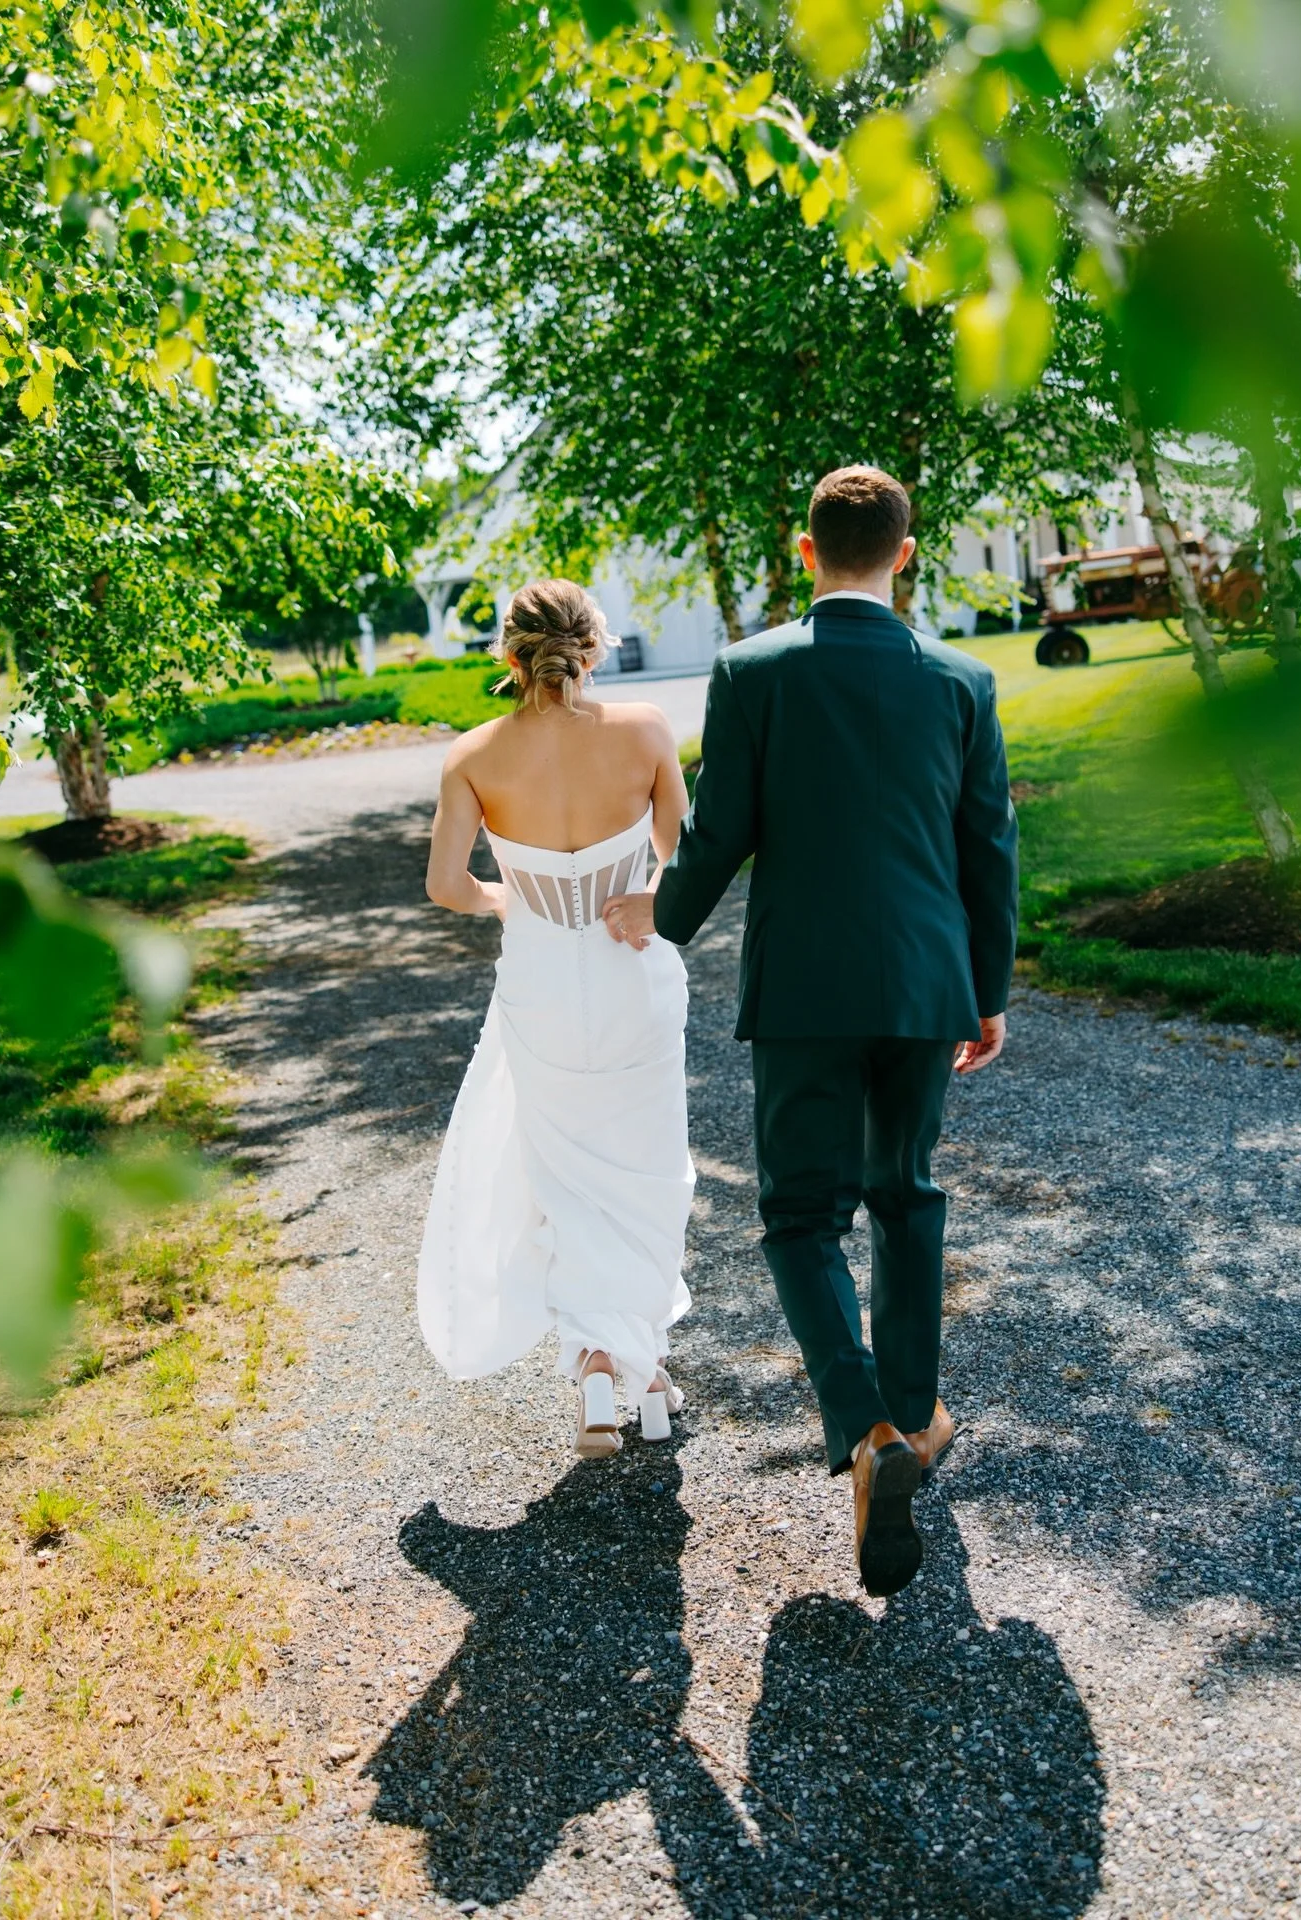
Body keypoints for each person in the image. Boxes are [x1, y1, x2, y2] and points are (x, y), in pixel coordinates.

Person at [604, 466, 1019, 1597]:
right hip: (927, 984)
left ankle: (867, 1425)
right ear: (906, 553)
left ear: (805, 551)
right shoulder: (964, 680)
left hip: (802, 991)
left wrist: (658, 918)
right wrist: (986, 991)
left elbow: (721, 827)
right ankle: (914, 1421)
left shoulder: (753, 670)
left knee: (799, 1216)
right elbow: (988, 847)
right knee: (907, 1195)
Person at [417, 579, 695, 1459]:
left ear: (509, 657)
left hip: (540, 985)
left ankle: (608, 1365)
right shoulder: (645, 730)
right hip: (633, 974)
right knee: (648, 1174)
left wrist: (508, 899)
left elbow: (446, 886)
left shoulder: (473, 754)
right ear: (594, 647)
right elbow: (682, 858)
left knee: (567, 1182)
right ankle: (635, 1367)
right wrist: (648, 898)